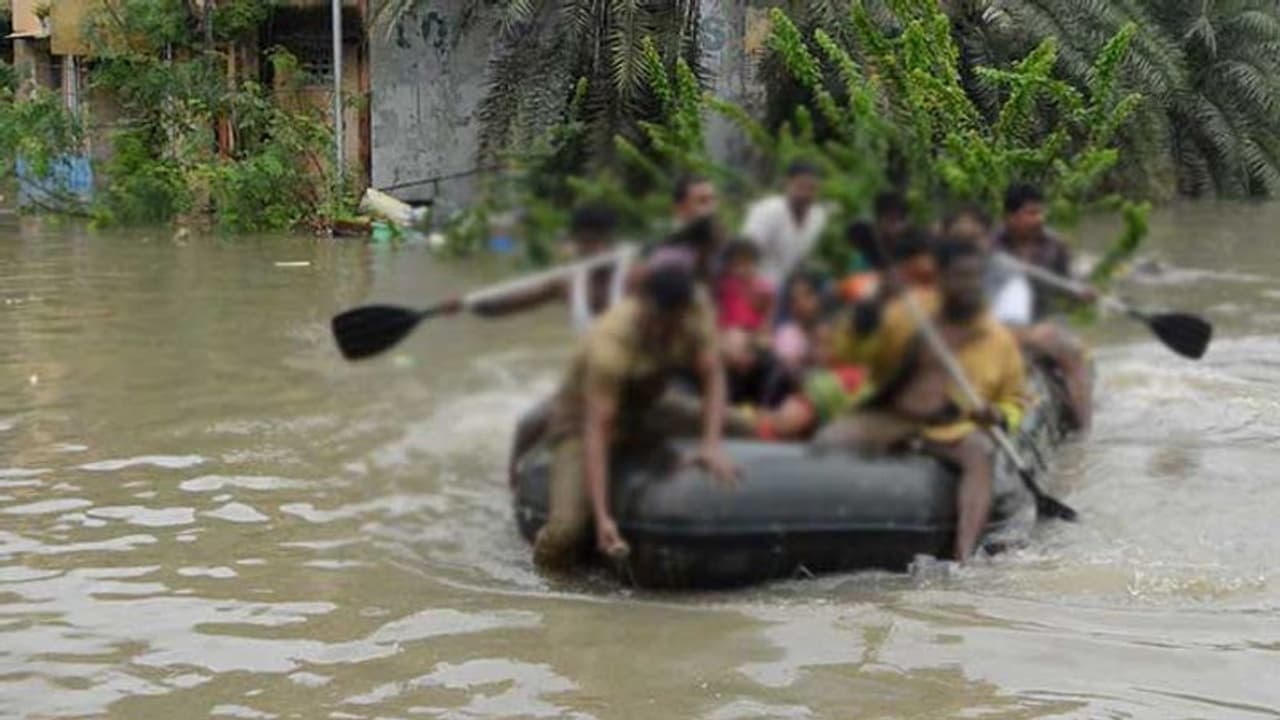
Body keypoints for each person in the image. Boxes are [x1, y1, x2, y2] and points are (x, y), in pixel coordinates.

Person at [818, 241, 1027, 562]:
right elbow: (851, 354)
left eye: (974, 276)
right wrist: (867, 314)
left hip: (950, 428)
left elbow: (1017, 399)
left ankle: (965, 556)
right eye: (960, 276)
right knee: (831, 439)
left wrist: (998, 414)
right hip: (893, 418)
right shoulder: (907, 312)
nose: (969, 285)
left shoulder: (996, 338)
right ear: (941, 279)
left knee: (980, 451)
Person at [532, 262, 738, 569]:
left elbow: (713, 375)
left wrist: (711, 444)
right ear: (642, 304)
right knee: (567, 531)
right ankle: (546, 576)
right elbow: (598, 428)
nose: (657, 329)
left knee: (746, 425)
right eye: (653, 319)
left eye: (668, 322)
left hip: (649, 407)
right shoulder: (610, 342)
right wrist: (603, 518)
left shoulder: (696, 312)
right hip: (581, 420)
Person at [994, 184, 1094, 430]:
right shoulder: (989, 246)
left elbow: (1069, 289)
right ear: (1010, 216)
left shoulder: (1055, 246)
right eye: (1031, 213)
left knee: (1073, 353)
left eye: (1040, 212)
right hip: (997, 327)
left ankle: (1083, 430)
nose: (1039, 219)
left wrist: (1080, 293)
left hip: (1043, 323)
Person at [471, 204, 630, 333]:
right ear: (577, 244)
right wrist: (467, 303)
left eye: (604, 242)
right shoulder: (566, 286)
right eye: (588, 242)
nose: (599, 251)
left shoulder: (638, 279)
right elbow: (506, 306)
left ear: (616, 240)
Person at [741, 161, 830, 286]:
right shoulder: (766, 211)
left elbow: (799, 259)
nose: (805, 194)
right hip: (757, 288)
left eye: (812, 189)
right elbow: (744, 257)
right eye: (800, 187)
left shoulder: (817, 217)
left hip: (790, 290)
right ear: (786, 184)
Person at [715, 240, 775, 334]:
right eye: (737, 264)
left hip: (754, 331)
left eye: (747, 263)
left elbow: (768, 315)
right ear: (729, 267)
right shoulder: (725, 286)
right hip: (729, 331)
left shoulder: (764, 288)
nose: (742, 270)